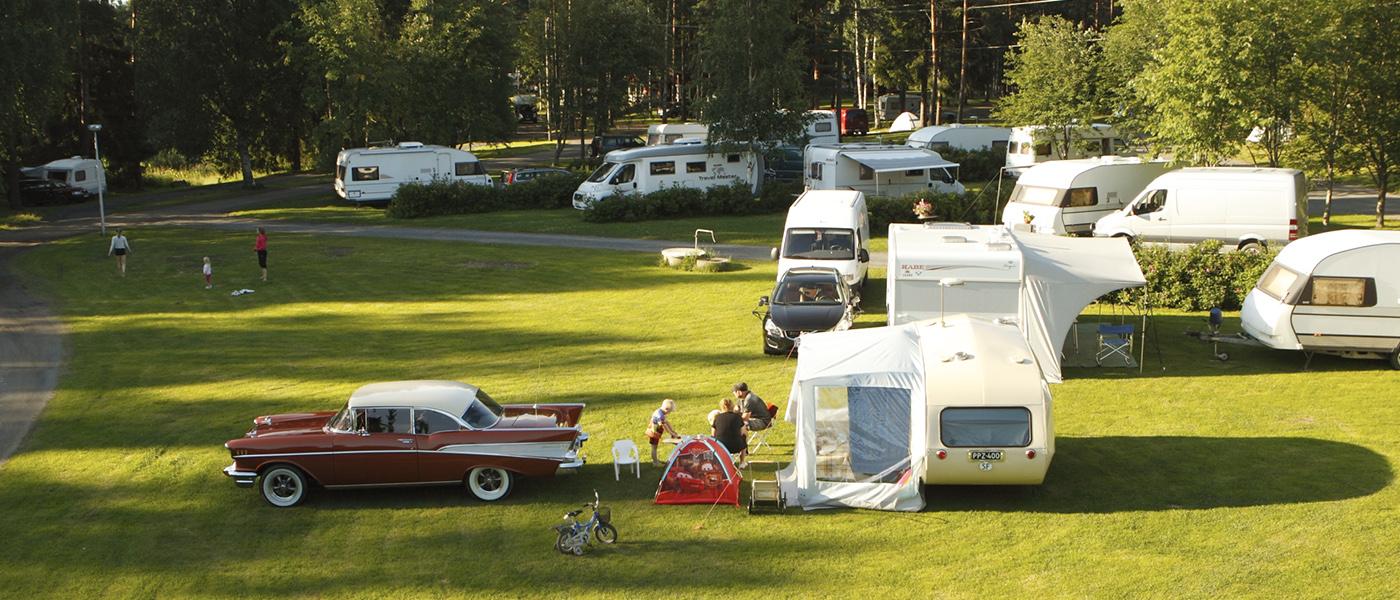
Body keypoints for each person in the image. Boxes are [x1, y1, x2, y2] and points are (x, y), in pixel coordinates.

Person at [712, 397, 748, 468]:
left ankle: (720, 462)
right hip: (736, 446)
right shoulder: (737, 417)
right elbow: (744, 433)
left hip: (721, 447)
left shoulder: (717, 418)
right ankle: (742, 462)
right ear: (732, 406)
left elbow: (713, 434)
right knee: (744, 437)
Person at [646, 398, 680, 465]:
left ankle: (655, 460)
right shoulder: (660, 415)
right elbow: (664, 425)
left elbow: (666, 422)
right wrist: (671, 433)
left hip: (656, 431)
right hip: (653, 432)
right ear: (666, 409)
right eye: (669, 411)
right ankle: (655, 462)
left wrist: (673, 431)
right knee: (654, 447)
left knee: (654, 447)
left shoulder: (661, 411)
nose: (669, 413)